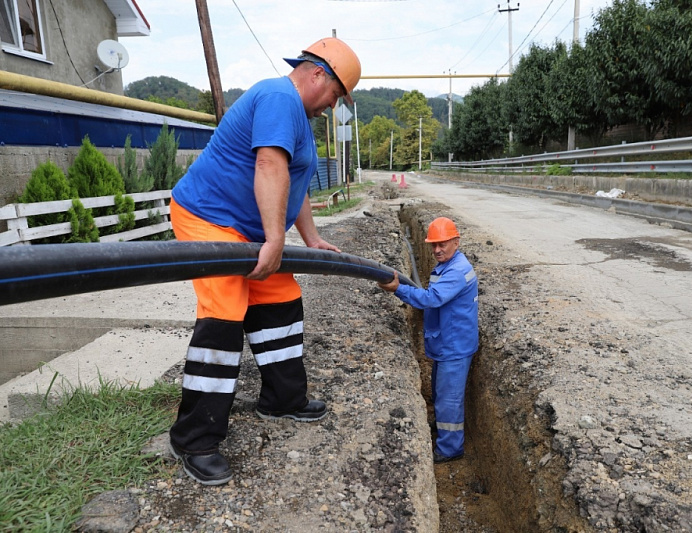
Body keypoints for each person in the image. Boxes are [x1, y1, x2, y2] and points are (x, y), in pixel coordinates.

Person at [167, 37, 361, 485]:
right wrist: (276, 237)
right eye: (334, 96)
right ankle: (194, 437)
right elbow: (270, 166)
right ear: (318, 75)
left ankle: (283, 399)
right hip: (209, 218)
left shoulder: (297, 116)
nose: (331, 107)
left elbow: (293, 183)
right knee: (225, 309)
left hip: (247, 230)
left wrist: (310, 238)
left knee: (280, 295)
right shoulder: (278, 97)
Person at [378, 217, 478, 463]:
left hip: (454, 347)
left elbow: (430, 299)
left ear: (456, 242)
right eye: (433, 245)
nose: (436, 250)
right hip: (447, 342)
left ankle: (450, 449)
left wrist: (398, 288)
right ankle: (441, 429)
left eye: (442, 244)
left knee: (448, 400)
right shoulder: (448, 265)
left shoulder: (456, 271)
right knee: (439, 393)